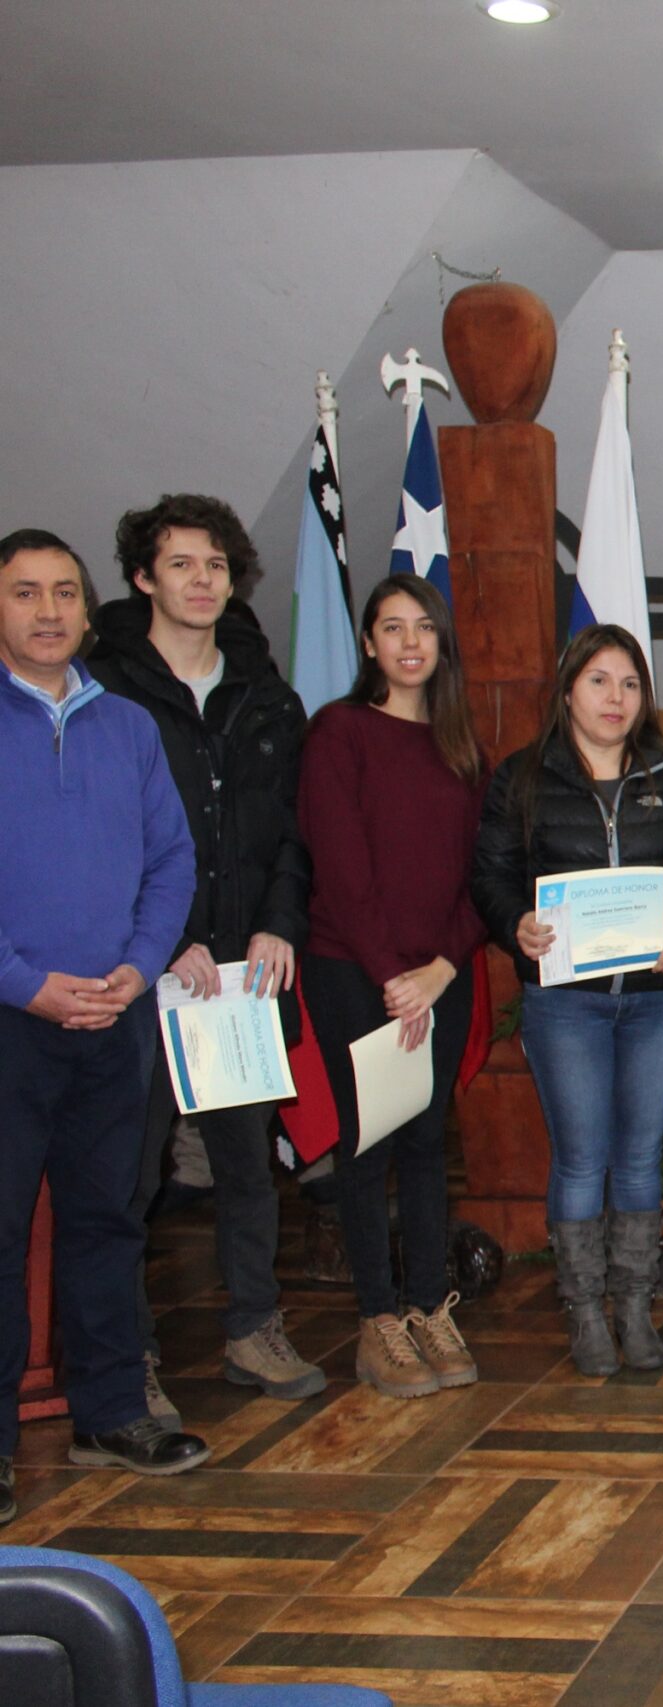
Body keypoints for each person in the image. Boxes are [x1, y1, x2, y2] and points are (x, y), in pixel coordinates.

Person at [88, 495, 320, 1409]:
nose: (202, 580)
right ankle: (130, 1357)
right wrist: (162, 935)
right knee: (131, 1174)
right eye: (181, 564)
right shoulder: (105, 693)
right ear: (143, 577)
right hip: (144, 971)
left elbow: (294, 830)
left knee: (245, 1166)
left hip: (239, 976)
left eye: (216, 565)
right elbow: (100, 838)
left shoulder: (269, 697)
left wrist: (280, 922)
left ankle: (254, 1328)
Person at [0, 529, 208, 1517]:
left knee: (109, 1218)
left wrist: (139, 964)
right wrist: (24, 983)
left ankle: (112, 1413)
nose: (47, 610)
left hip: (115, 1016)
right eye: (24, 592)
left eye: (63, 592)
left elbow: (172, 860)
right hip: (13, 1018)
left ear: (88, 612)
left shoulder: (128, 726)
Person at [473, 625, 663, 1378]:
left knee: (638, 1158)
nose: (616, 698)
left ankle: (634, 1308)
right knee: (580, 1160)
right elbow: (491, 874)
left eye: (630, 683)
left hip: (656, 1000)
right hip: (566, 1002)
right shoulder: (524, 777)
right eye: (600, 681)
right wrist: (516, 923)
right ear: (568, 689)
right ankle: (583, 1312)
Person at [300, 573, 488, 1399]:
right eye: (392, 627)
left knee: (425, 1142)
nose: (411, 642)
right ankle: (378, 1320)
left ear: (442, 643)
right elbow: (341, 871)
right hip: (355, 971)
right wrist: (391, 978)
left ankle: (427, 1307)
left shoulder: (461, 747)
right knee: (368, 1140)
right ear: (369, 643)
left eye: (424, 627)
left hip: (441, 974)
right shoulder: (338, 732)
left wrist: (440, 969)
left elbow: (484, 875)